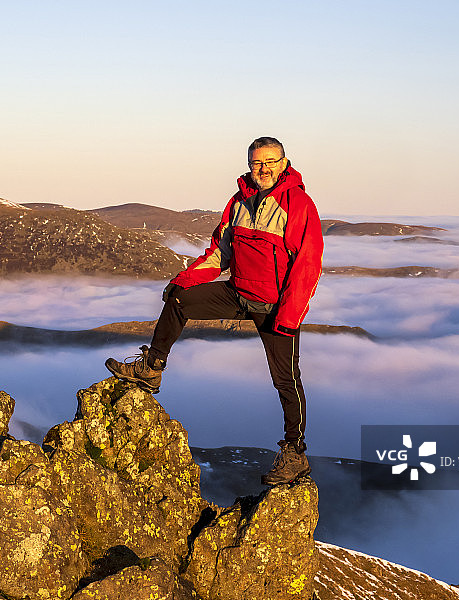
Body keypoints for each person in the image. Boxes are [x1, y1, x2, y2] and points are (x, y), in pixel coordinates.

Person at [106, 136, 323, 485]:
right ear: (249, 164)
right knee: (178, 300)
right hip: (238, 292)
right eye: (256, 163)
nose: (263, 169)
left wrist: (289, 315)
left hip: (274, 305)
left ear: (284, 163)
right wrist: (185, 280)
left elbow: (308, 265)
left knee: (286, 380)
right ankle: (151, 368)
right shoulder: (239, 202)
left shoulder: (298, 204)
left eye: (270, 162)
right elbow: (219, 253)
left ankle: (294, 453)